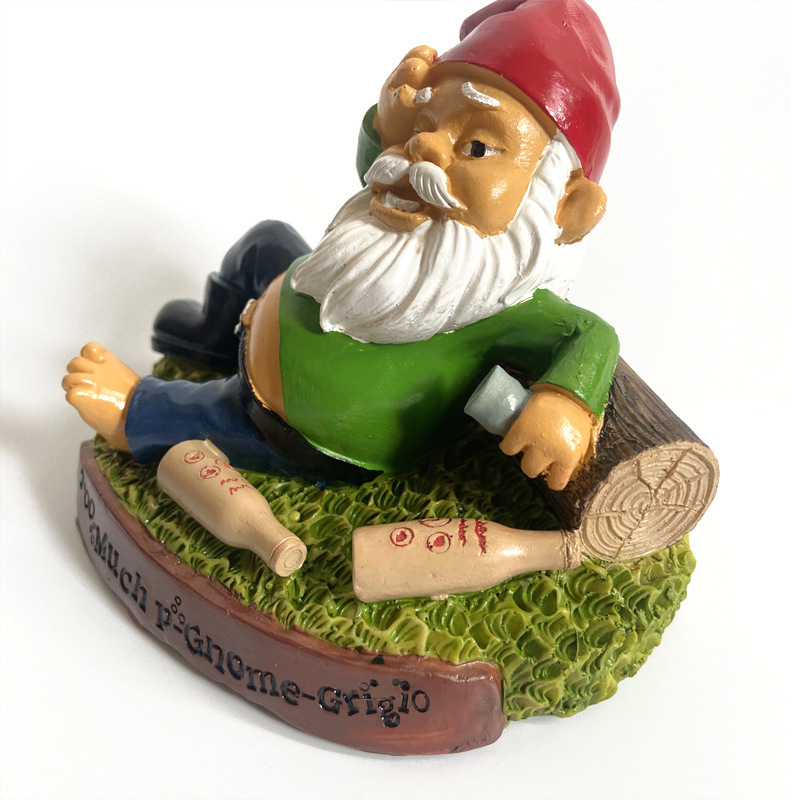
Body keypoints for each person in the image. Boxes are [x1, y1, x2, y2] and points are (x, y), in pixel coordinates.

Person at [63, 0, 621, 491]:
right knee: (265, 241)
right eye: (425, 123)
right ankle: (216, 330)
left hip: (310, 422)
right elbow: (374, 173)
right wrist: (388, 124)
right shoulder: (420, 192)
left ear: (565, 207)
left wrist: (567, 403)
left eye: (475, 147)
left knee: (222, 413)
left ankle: (138, 413)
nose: (425, 146)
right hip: (301, 296)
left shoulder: (507, 300)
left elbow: (592, 335)